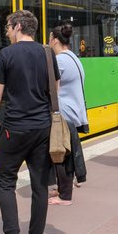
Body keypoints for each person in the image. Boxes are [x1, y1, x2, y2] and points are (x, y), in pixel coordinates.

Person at [0, 10, 59, 234]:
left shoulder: (6, 54)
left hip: (14, 128)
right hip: (42, 128)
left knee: (6, 180)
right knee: (40, 184)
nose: (6, 31)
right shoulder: (48, 53)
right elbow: (55, 91)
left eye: (7, 26)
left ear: (18, 26)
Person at [47, 22, 88, 205]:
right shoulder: (73, 57)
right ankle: (64, 187)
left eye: (49, 39)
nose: (48, 43)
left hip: (64, 112)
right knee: (65, 152)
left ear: (55, 40)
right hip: (75, 110)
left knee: (61, 153)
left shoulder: (60, 60)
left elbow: (50, 86)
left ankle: (64, 195)